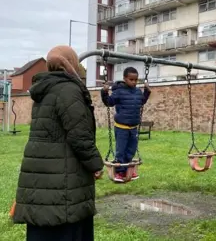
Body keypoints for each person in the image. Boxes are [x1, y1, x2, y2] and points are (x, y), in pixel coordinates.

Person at [12, 45, 104, 241]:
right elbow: (79, 135)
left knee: (43, 221)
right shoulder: (69, 90)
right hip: (63, 176)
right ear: (71, 63)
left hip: (42, 172)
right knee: (65, 225)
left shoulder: (44, 90)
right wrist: (95, 164)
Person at [101, 67, 151, 183]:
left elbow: (141, 101)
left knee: (131, 150)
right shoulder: (119, 91)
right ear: (124, 79)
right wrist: (104, 92)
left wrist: (147, 91)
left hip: (133, 128)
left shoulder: (138, 91)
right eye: (131, 79)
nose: (133, 82)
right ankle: (119, 172)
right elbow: (109, 102)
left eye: (135, 80)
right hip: (121, 127)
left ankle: (129, 170)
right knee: (121, 151)